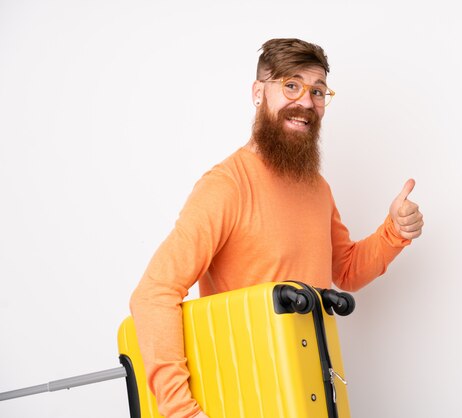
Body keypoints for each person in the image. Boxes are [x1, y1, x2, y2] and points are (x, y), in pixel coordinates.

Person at [129, 38, 424, 418]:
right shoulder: (226, 185)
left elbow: (345, 270)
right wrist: (180, 410)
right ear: (258, 93)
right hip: (246, 398)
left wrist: (394, 231)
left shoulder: (317, 187)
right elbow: (153, 294)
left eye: (317, 91)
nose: (306, 102)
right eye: (291, 85)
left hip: (313, 393)